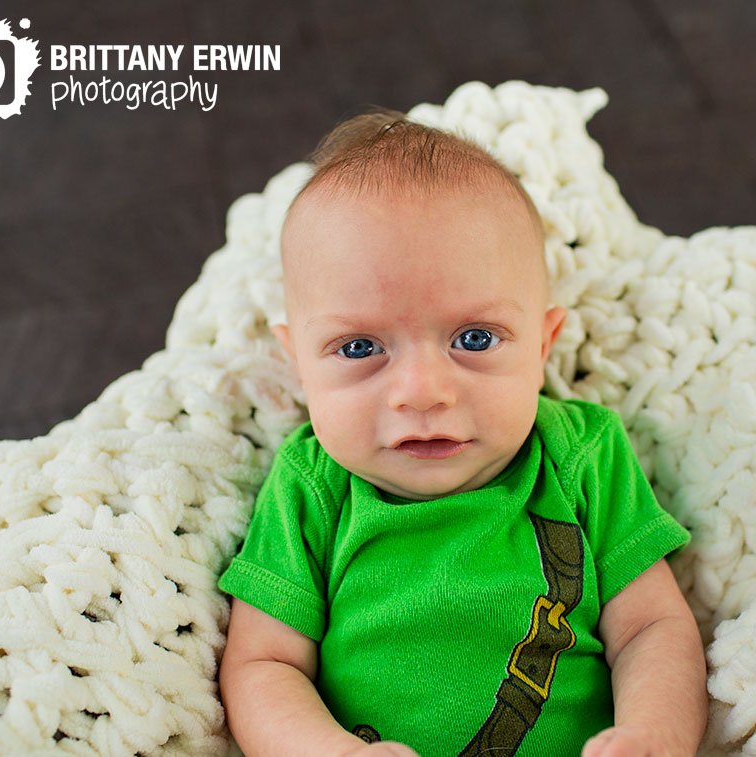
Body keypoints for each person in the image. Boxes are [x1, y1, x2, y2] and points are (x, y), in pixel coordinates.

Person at [216, 109, 707, 756]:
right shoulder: (313, 485)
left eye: (474, 339)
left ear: (542, 345)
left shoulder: (579, 455)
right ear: (298, 364)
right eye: (360, 346)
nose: (421, 390)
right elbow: (262, 666)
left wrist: (654, 733)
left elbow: (650, 626)